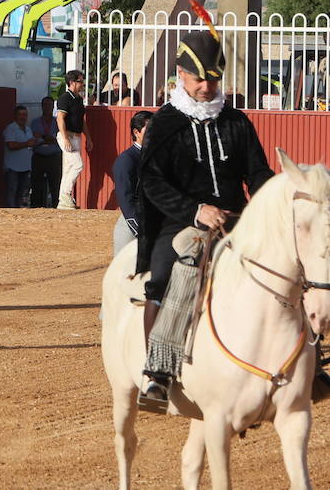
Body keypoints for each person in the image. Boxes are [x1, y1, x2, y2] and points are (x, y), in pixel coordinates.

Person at [133, 28, 273, 407]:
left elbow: (257, 173)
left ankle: (304, 362)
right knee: (162, 277)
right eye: (200, 79)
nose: (208, 87)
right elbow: (150, 182)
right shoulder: (164, 123)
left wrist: (270, 203)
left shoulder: (236, 122)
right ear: (181, 75)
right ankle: (157, 373)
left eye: (214, 79)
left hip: (236, 219)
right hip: (181, 223)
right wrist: (195, 211)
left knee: (287, 265)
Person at [111, 110, 152, 256]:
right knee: (123, 273)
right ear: (136, 132)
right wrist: (139, 230)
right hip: (132, 225)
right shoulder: (126, 160)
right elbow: (126, 199)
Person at [55, 70, 88, 209]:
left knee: (68, 168)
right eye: (80, 81)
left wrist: (89, 138)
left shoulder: (79, 99)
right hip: (67, 136)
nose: (83, 84)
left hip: (76, 136)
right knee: (78, 165)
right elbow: (60, 118)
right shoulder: (65, 98)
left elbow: (82, 121)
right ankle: (66, 195)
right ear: (72, 82)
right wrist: (65, 139)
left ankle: (63, 202)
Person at [2, 105, 39, 208]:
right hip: (12, 167)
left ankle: (17, 211)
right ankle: (11, 211)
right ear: (15, 116)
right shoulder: (11, 128)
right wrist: (27, 143)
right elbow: (11, 145)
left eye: (25, 115)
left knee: (21, 191)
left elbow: (31, 143)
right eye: (21, 115)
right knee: (12, 190)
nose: (23, 117)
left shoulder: (28, 129)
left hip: (25, 166)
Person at [29, 97, 63, 209]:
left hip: (54, 157)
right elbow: (34, 138)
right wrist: (47, 138)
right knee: (36, 184)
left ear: (53, 107)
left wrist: (42, 137)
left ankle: (56, 206)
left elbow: (58, 139)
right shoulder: (35, 122)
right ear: (42, 106)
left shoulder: (58, 122)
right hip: (39, 157)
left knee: (55, 184)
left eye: (49, 105)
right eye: (45, 105)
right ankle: (35, 207)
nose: (47, 107)